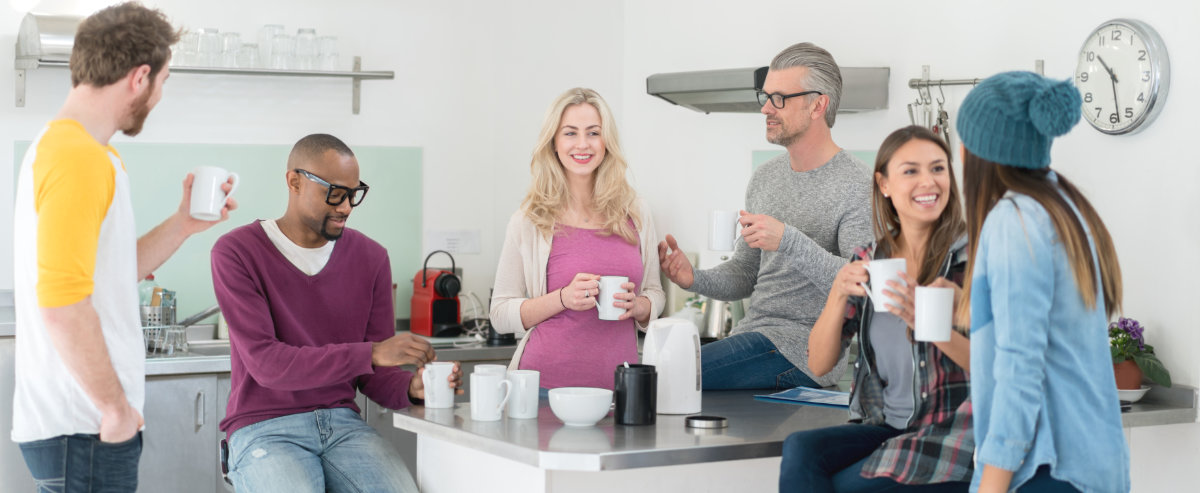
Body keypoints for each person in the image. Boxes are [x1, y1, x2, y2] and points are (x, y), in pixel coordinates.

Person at [10, 4, 237, 491]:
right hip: (85, 426)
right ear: (140, 77)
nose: (160, 94)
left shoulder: (88, 153)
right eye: (164, 79)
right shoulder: (77, 158)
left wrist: (182, 224)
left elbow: (109, 272)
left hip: (83, 427)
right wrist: (114, 410)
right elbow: (63, 304)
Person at [211, 134, 461, 492]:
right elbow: (268, 365)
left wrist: (412, 387)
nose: (345, 206)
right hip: (264, 427)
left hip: (343, 427)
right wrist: (372, 352)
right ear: (294, 182)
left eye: (353, 194)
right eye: (334, 193)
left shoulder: (371, 258)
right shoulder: (237, 252)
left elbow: (374, 377)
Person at [658, 42, 873, 390]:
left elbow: (861, 283)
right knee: (660, 371)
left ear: (818, 104)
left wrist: (788, 241)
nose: (766, 109)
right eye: (766, 96)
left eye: (780, 98)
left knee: (667, 375)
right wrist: (691, 278)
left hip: (804, 353)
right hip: (755, 337)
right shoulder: (765, 177)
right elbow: (745, 274)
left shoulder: (858, 185)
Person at [956, 72, 1128, 492]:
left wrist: (991, 482)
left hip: (1046, 469)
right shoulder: (1065, 206)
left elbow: (1020, 364)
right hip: (1091, 466)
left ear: (977, 151)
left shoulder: (1014, 221)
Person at [779, 126, 973, 492]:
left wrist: (932, 325)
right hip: (882, 425)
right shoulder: (870, 259)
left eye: (938, 168)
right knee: (801, 448)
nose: (928, 182)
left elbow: (997, 366)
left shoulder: (972, 257)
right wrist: (838, 291)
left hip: (952, 430)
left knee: (847, 487)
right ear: (884, 184)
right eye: (911, 171)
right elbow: (819, 364)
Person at [490, 88, 666, 390]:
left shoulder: (635, 212)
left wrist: (639, 307)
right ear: (554, 143)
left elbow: (655, 292)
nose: (582, 144)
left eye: (593, 133)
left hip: (622, 390)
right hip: (544, 390)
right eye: (570, 133)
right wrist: (562, 298)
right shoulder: (530, 220)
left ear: (606, 141)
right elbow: (500, 314)